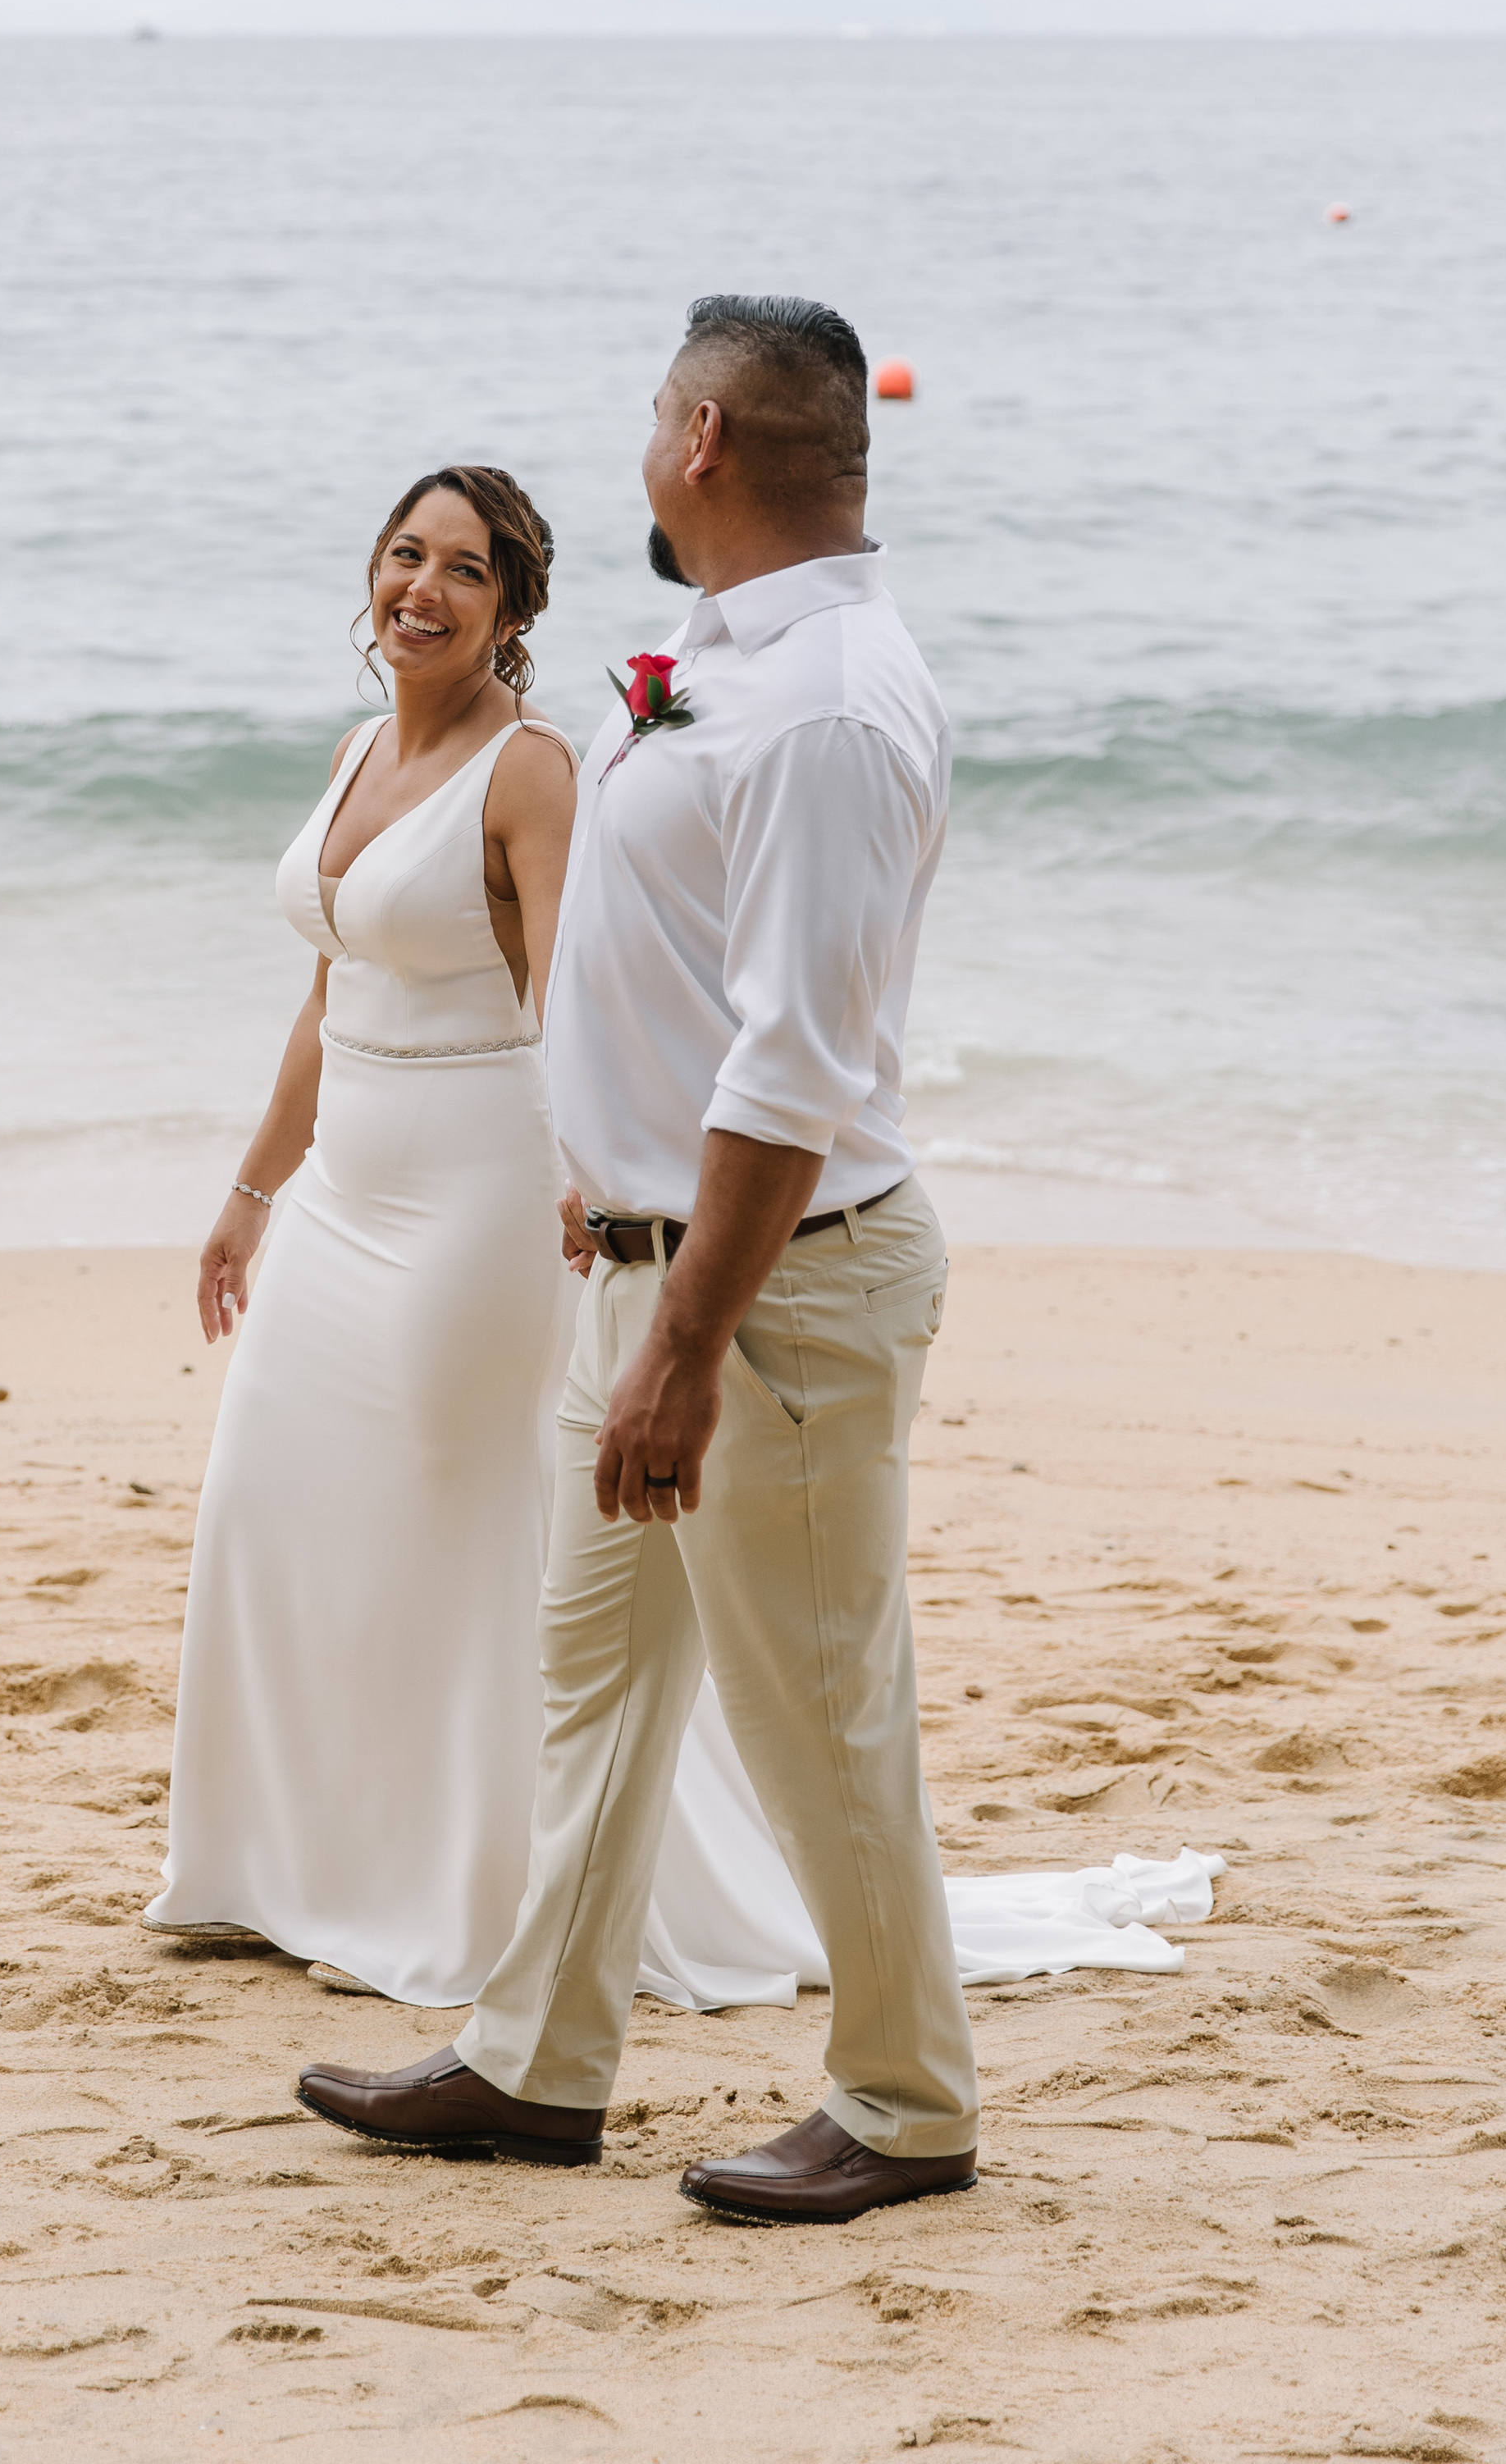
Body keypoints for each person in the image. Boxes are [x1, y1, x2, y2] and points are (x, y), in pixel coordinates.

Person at [294, 297, 981, 2224]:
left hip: (767, 1297)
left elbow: (795, 1062)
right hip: (639, 1266)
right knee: (595, 1675)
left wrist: (683, 1342)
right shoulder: (718, 654)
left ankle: (905, 2101)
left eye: (647, 413)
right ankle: (535, 2062)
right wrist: (599, 1190)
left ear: (697, 438)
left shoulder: (825, 704)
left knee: (819, 1707)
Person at [144, 460, 839, 2010]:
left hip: (476, 1197)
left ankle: (457, 1897)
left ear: (514, 609)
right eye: (407, 555)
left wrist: (592, 1174)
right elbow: (329, 996)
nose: (426, 590)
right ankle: (270, 1866)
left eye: (466, 570)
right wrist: (251, 1194)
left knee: (453, 1533)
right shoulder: (355, 751)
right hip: (340, 1199)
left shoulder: (531, 772)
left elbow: (570, 993)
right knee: (269, 1501)